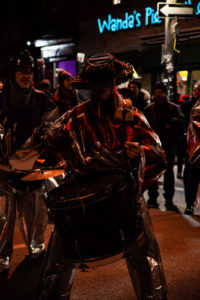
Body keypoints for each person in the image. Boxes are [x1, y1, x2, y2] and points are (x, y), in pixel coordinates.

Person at [34, 53, 167, 300]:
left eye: (103, 86)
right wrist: (45, 150)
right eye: (95, 87)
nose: (98, 92)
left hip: (125, 198)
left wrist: (140, 153)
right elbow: (50, 147)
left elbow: (158, 154)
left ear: (113, 84)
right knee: (58, 259)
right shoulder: (76, 117)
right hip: (83, 199)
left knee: (146, 258)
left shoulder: (132, 115)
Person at [0, 49, 59, 275]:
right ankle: (2, 259)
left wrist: (48, 139)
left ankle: (37, 249)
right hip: (3, 168)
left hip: (31, 166)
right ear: (12, 74)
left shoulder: (41, 99)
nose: (27, 76)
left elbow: (54, 126)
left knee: (36, 212)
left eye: (29, 71)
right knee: (3, 216)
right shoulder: (1, 100)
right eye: (22, 71)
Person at [144, 81, 185, 210]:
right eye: (156, 92)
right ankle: (152, 198)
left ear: (165, 93)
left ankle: (169, 199)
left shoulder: (173, 108)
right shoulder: (149, 109)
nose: (158, 95)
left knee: (168, 175)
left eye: (160, 92)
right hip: (153, 147)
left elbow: (182, 123)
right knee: (152, 174)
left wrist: (172, 123)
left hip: (168, 146)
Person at [179, 82, 200, 214]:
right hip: (193, 145)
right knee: (191, 177)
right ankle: (190, 203)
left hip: (194, 144)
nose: (196, 92)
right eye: (195, 90)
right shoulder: (189, 106)